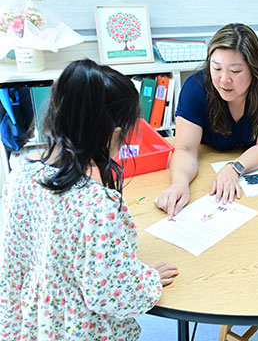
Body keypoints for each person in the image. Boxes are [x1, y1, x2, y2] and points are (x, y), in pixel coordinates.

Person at [0, 59, 179, 340]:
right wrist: (146, 279)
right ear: (115, 134)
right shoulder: (96, 205)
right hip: (78, 329)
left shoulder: (21, 174)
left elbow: (15, 256)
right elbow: (108, 293)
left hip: (34, 319)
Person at [154, 23, 258, 218]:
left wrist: (235, 168)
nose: (224, 79)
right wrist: (179, 184)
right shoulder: (195, 87)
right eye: (217, 68)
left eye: (235, 71)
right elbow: (185, 149)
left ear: (255, 69)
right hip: (208, 167)